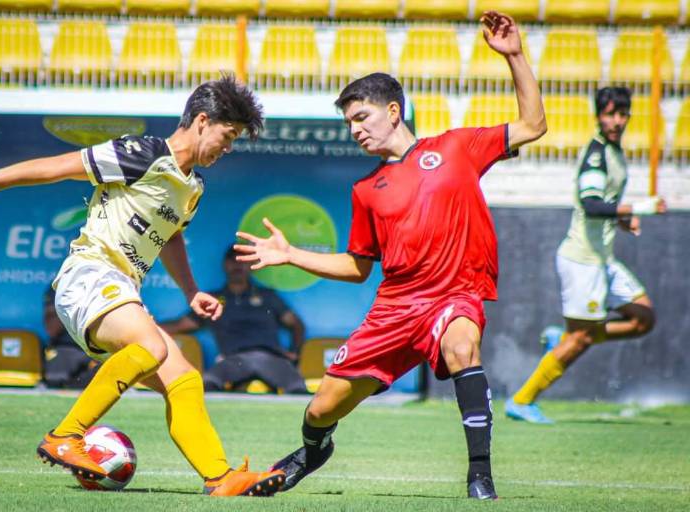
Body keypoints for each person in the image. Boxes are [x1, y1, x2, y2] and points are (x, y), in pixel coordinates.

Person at [234, 11, 546, 500]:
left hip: (454, 296)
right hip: (395, 309)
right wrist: (292, 254)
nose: (355, 130)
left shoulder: (457, 147)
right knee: (320, 409)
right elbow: (358, 267)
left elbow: (533, 124)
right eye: (349, 123)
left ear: (394, 111)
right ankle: (313, 451)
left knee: (462, 347)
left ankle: (480, 475)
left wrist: (515, 56)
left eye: (362, 117)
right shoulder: (366, 189)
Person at [0, 75, 285, 497]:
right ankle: (65, 436)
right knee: (152, 347)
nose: (228, 148)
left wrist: (191, 291)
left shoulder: (193, 187)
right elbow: (58, 167)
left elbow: (171, 237)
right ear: (202, 120)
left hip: (118, 290)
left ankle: (220, 477)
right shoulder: (142, 154)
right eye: (227, 136)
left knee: (184, 379)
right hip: (88, 276)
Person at [505, 87, 667, 424]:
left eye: (622, 114)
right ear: (598, 116)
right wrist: (639, 207)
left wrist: (622, 220)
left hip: (602, 259)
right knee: (581, 338)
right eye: (610, 114)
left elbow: (601, 205)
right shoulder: (596, 154)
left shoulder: (614, 152)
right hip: (582, 261)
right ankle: (521, 400)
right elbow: (591, 205)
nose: (617, 121)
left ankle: (565, 339)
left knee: (643, 318)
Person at [163, 245, 308, 394]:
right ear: (225, 265)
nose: (237, 265)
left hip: (269, 358)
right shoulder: (214, 300)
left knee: (297, 386)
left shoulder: (267, 296)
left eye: (242, 260)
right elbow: (181, 325)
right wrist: (149, 327)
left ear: (251, 265)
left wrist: (294, 353)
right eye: (233, 260)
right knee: (208, 382)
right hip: (233, 360)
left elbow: (296, 324)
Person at [42, 285, 99, 389]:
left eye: (52, 315)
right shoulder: (60, 285)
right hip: (66, 348)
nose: (46, 320)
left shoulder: (69, 352)